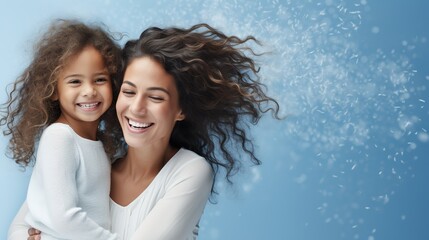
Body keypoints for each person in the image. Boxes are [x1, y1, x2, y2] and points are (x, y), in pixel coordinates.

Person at [12, 23, 280, 239]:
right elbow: (24, 226)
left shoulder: (189, 171)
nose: (136, 108)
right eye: (128, 92)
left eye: (156, 97)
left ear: (181, 110)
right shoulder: (99, 162)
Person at [1, 19, 122, 239]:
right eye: (75, 81)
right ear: (53, 90)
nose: (89, 91)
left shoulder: (100, 146)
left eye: (100, 79)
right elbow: (64, 218)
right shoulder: (60, 137)